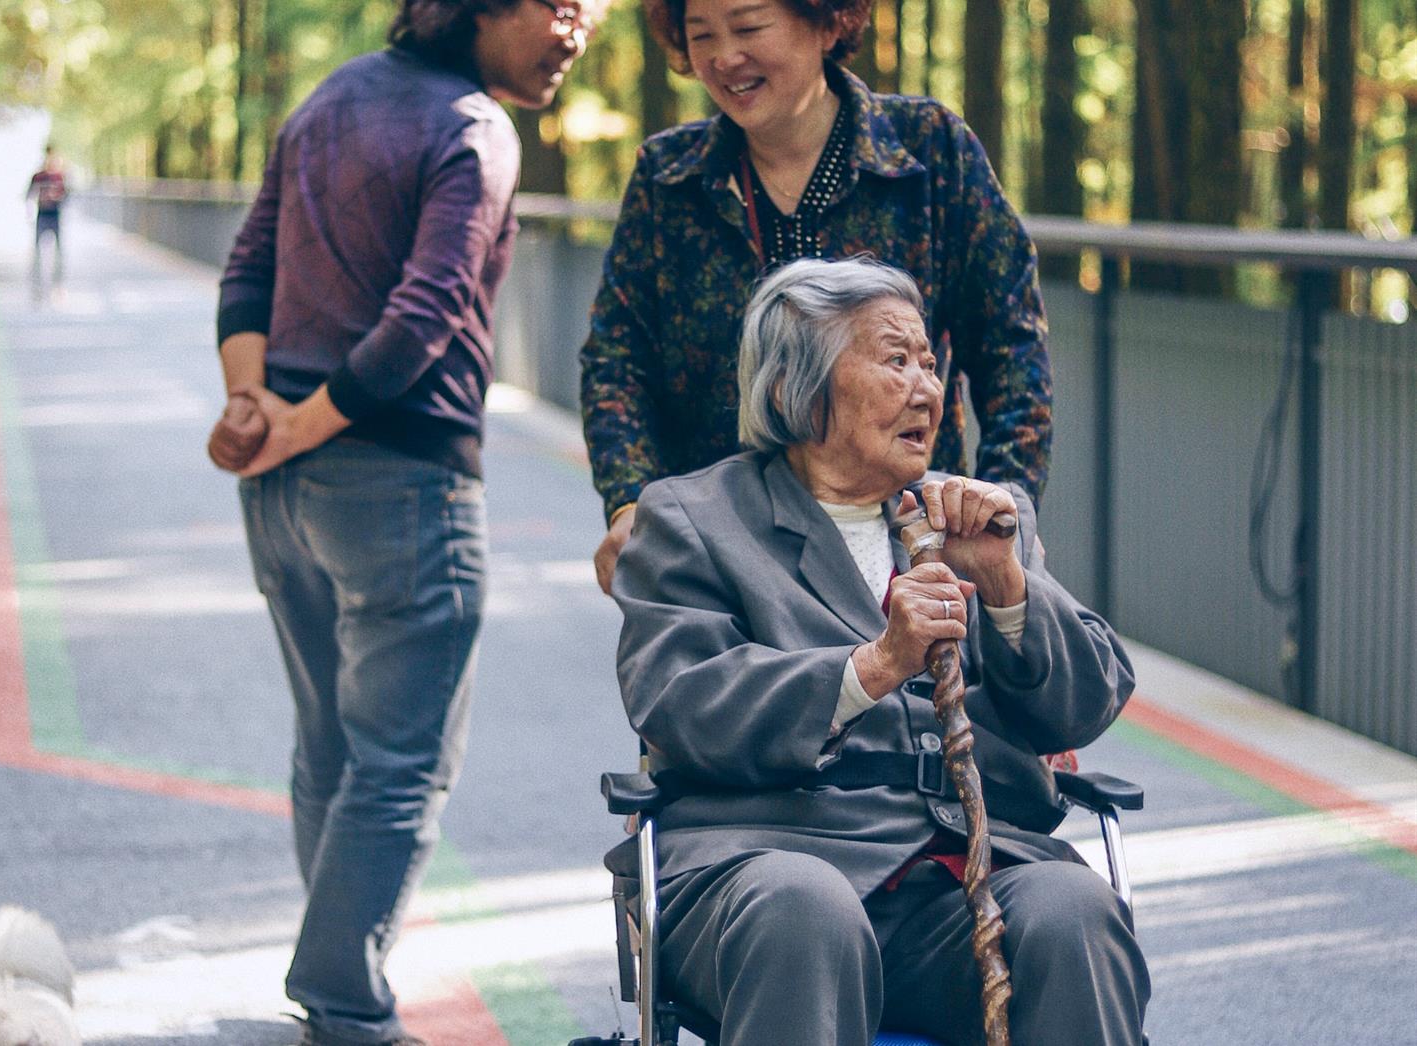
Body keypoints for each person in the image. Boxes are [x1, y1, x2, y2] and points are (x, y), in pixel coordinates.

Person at [610, 257, 1147, 1045]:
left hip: (958, 884)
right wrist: (871, 668)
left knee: (1074, 913)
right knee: (805, 911)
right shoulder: (692, 519)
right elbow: (679, 701)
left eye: (931, 364)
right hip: (764, 866)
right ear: (801, 386)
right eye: (896, 361)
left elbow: (1088, 702)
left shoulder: (981, 520)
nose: (928, 389)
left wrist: (1004, 583)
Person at [211, 1, 600, 1043]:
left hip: (283, 492)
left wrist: (254, 403)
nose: (579, 31)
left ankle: (338, 982)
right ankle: (345, 996)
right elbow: (423, 317)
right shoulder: (473, 127)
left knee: (331, 747)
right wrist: (296, 425)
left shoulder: (324, 100)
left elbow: (246, 268)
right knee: (401, 763)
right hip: (398, 481)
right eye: (560, 7)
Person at [581, 0, 1052, 594]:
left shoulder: (930, 151)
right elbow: (616, 363)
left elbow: (1011, 345)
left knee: (910, 684)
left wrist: (1006, 504)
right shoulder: (667, 178)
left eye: (749, 26)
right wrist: (630, 503)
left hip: (909, 547)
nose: (726, 57)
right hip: (722, 555)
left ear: (829, 22)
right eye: (702, 36)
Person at [25, 145, 68, 293]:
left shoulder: (60, 177)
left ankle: (57, 285)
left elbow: (66, 195)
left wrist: (57, 197)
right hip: (42, 215)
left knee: (58, 251)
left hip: (55, 215)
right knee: (37, 251)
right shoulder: (38, 176)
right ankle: (36, 285)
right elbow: (29, 195)